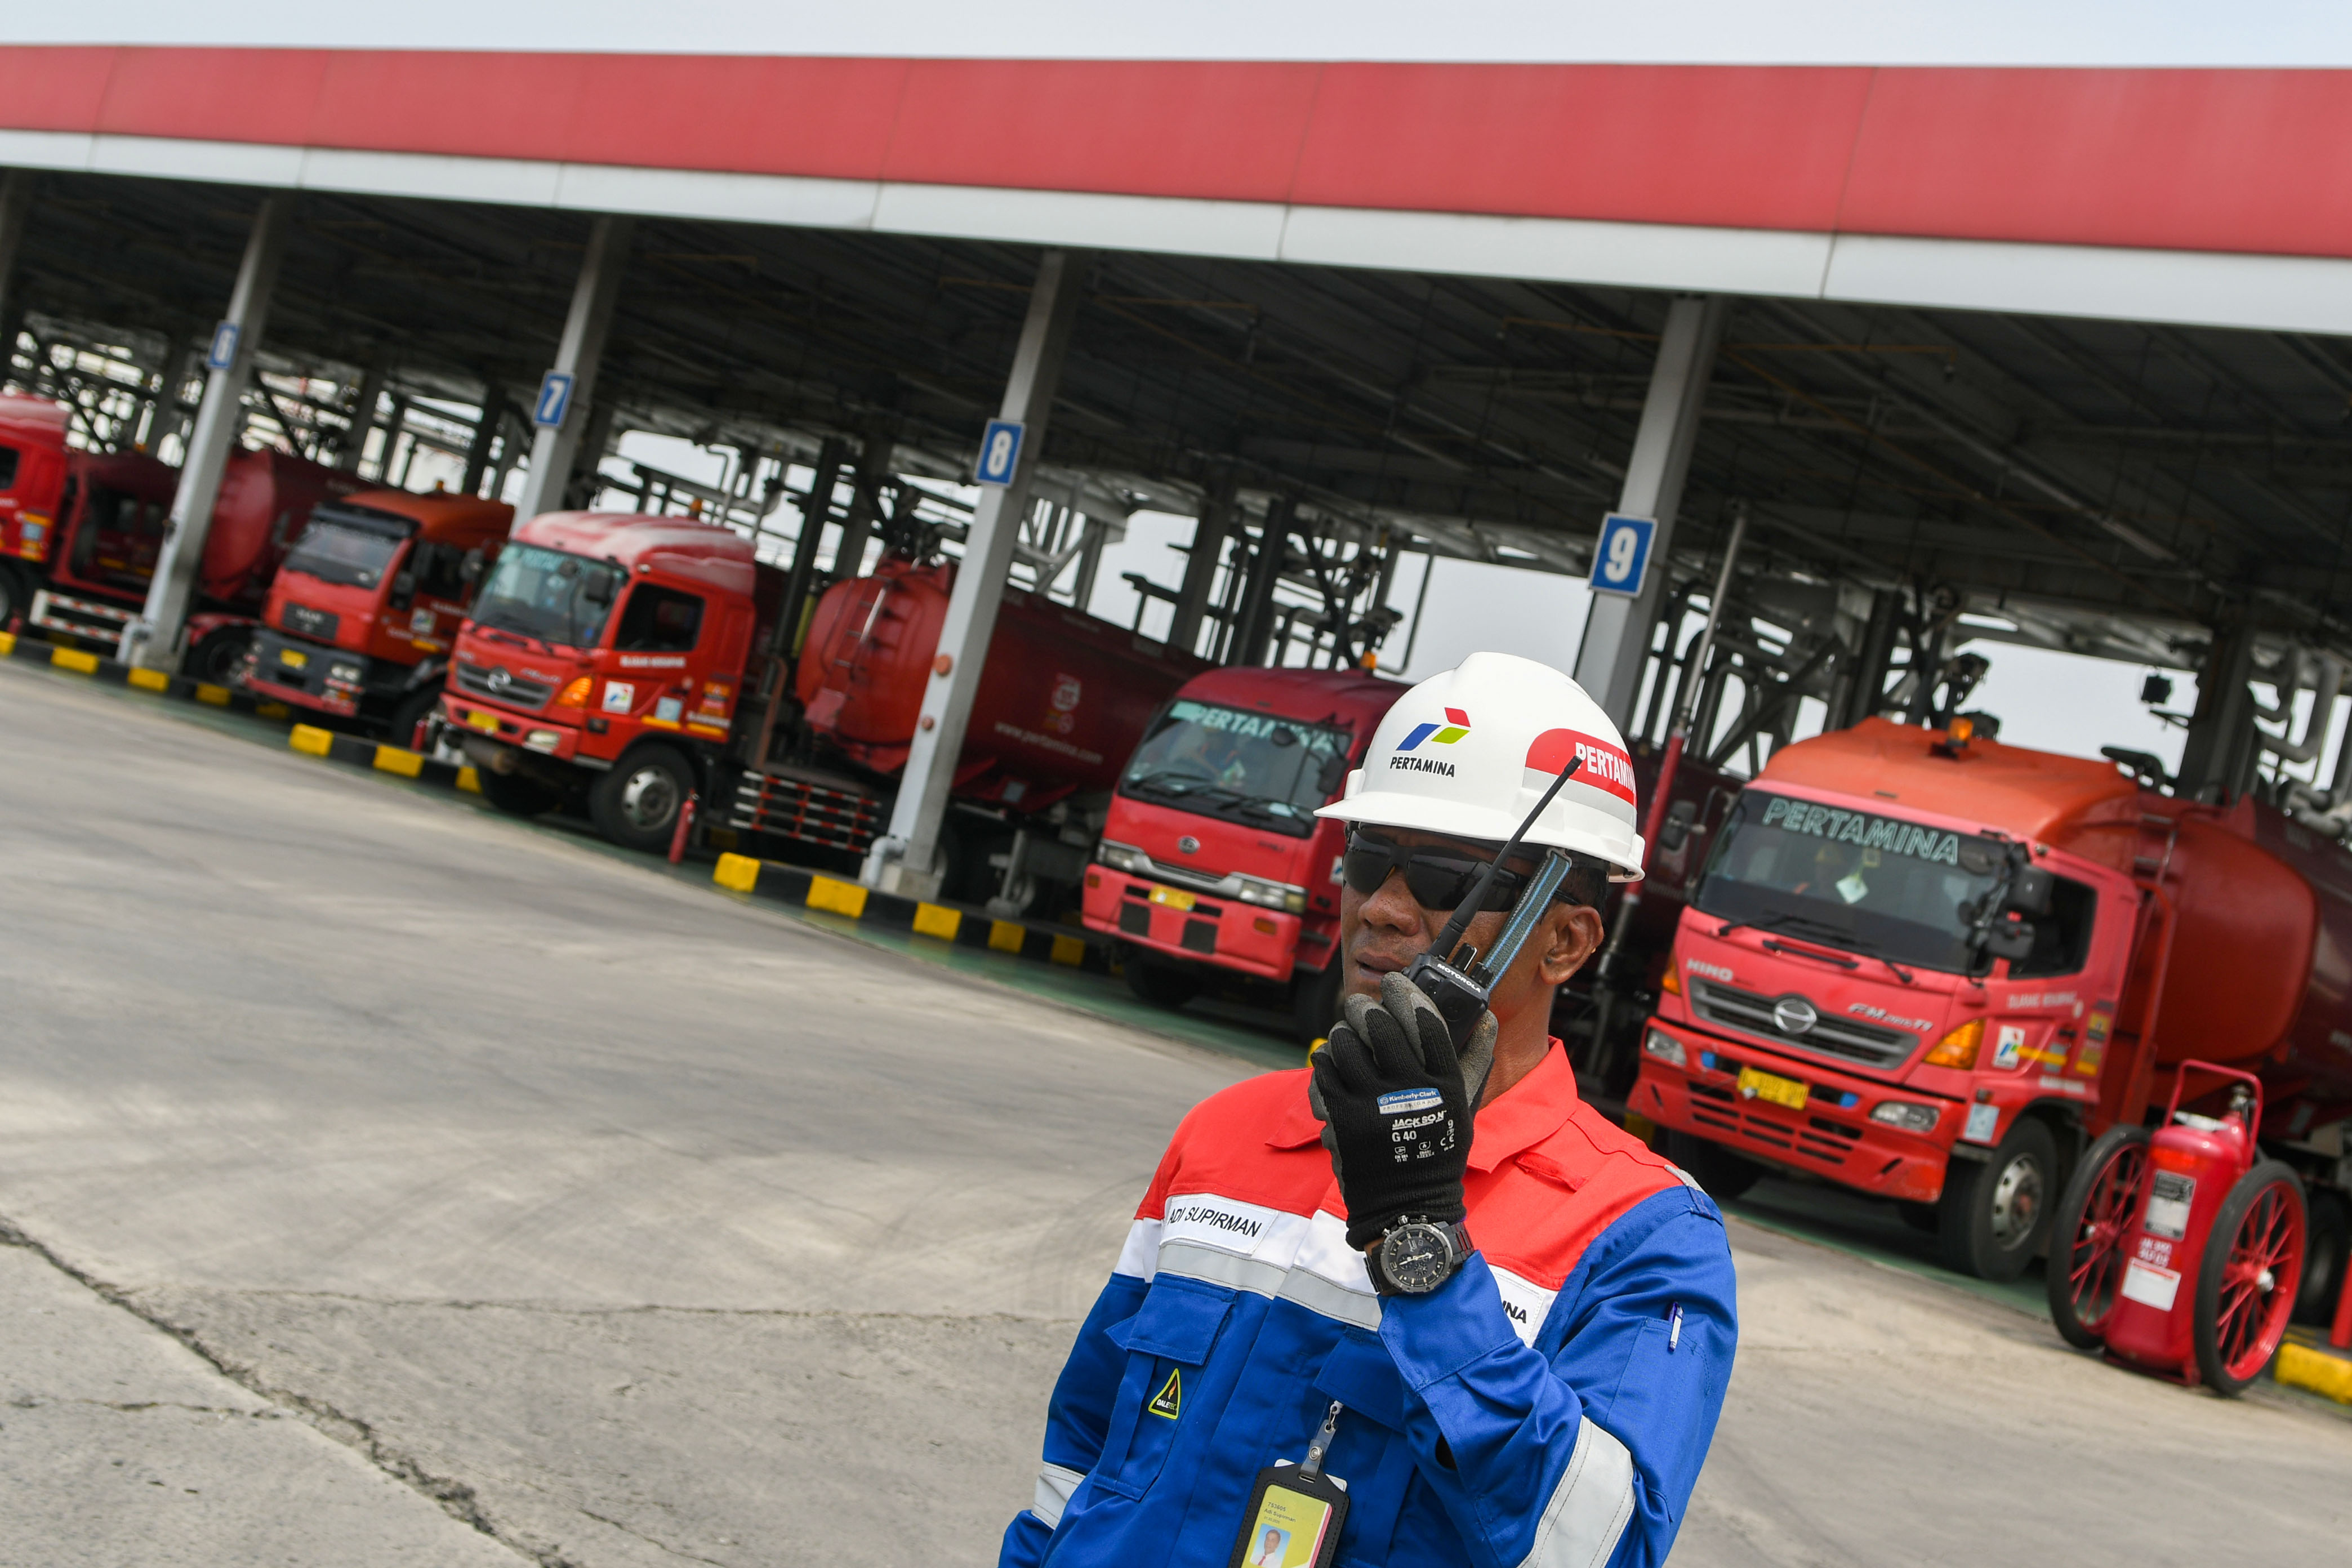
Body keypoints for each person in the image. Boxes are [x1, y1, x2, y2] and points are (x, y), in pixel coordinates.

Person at [999, 652, 1738, 1568]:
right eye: (1368, 861)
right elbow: (1081, 1451)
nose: (1382, 908)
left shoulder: (1643, 1235)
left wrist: (1425, 1253)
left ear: (1566, 941)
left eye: (1444, 879)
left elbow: (1600, 1546)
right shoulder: (1225, 1134)